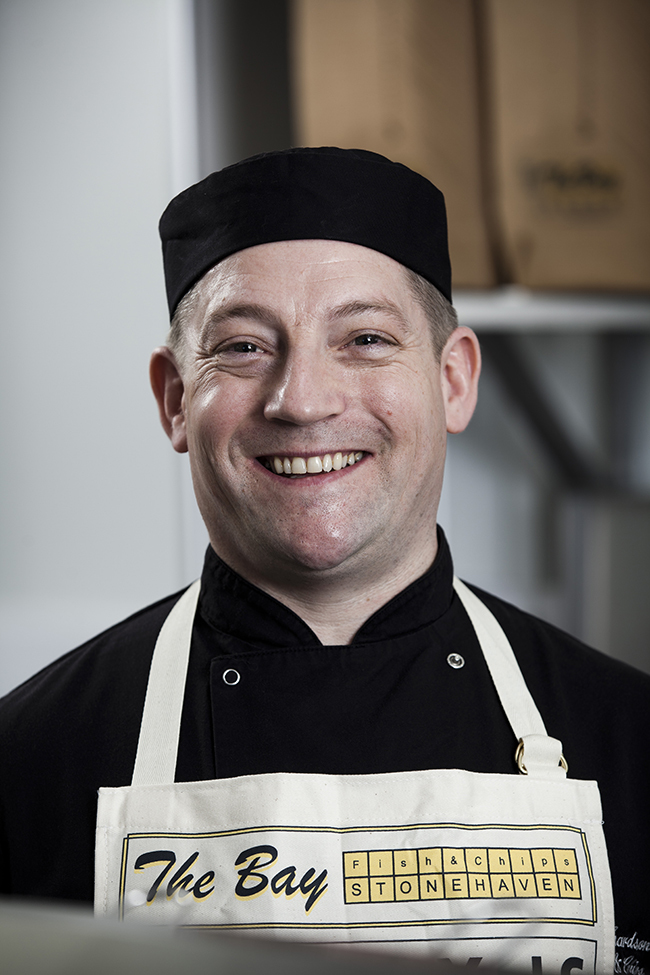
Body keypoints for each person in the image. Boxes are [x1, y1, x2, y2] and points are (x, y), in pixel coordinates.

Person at [0, 148, 648, 972]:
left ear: (453, 381)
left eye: (366, 338)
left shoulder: (631, 740)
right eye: (241, 347)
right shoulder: (27, 769)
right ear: (173, 400)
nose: (302, 399)